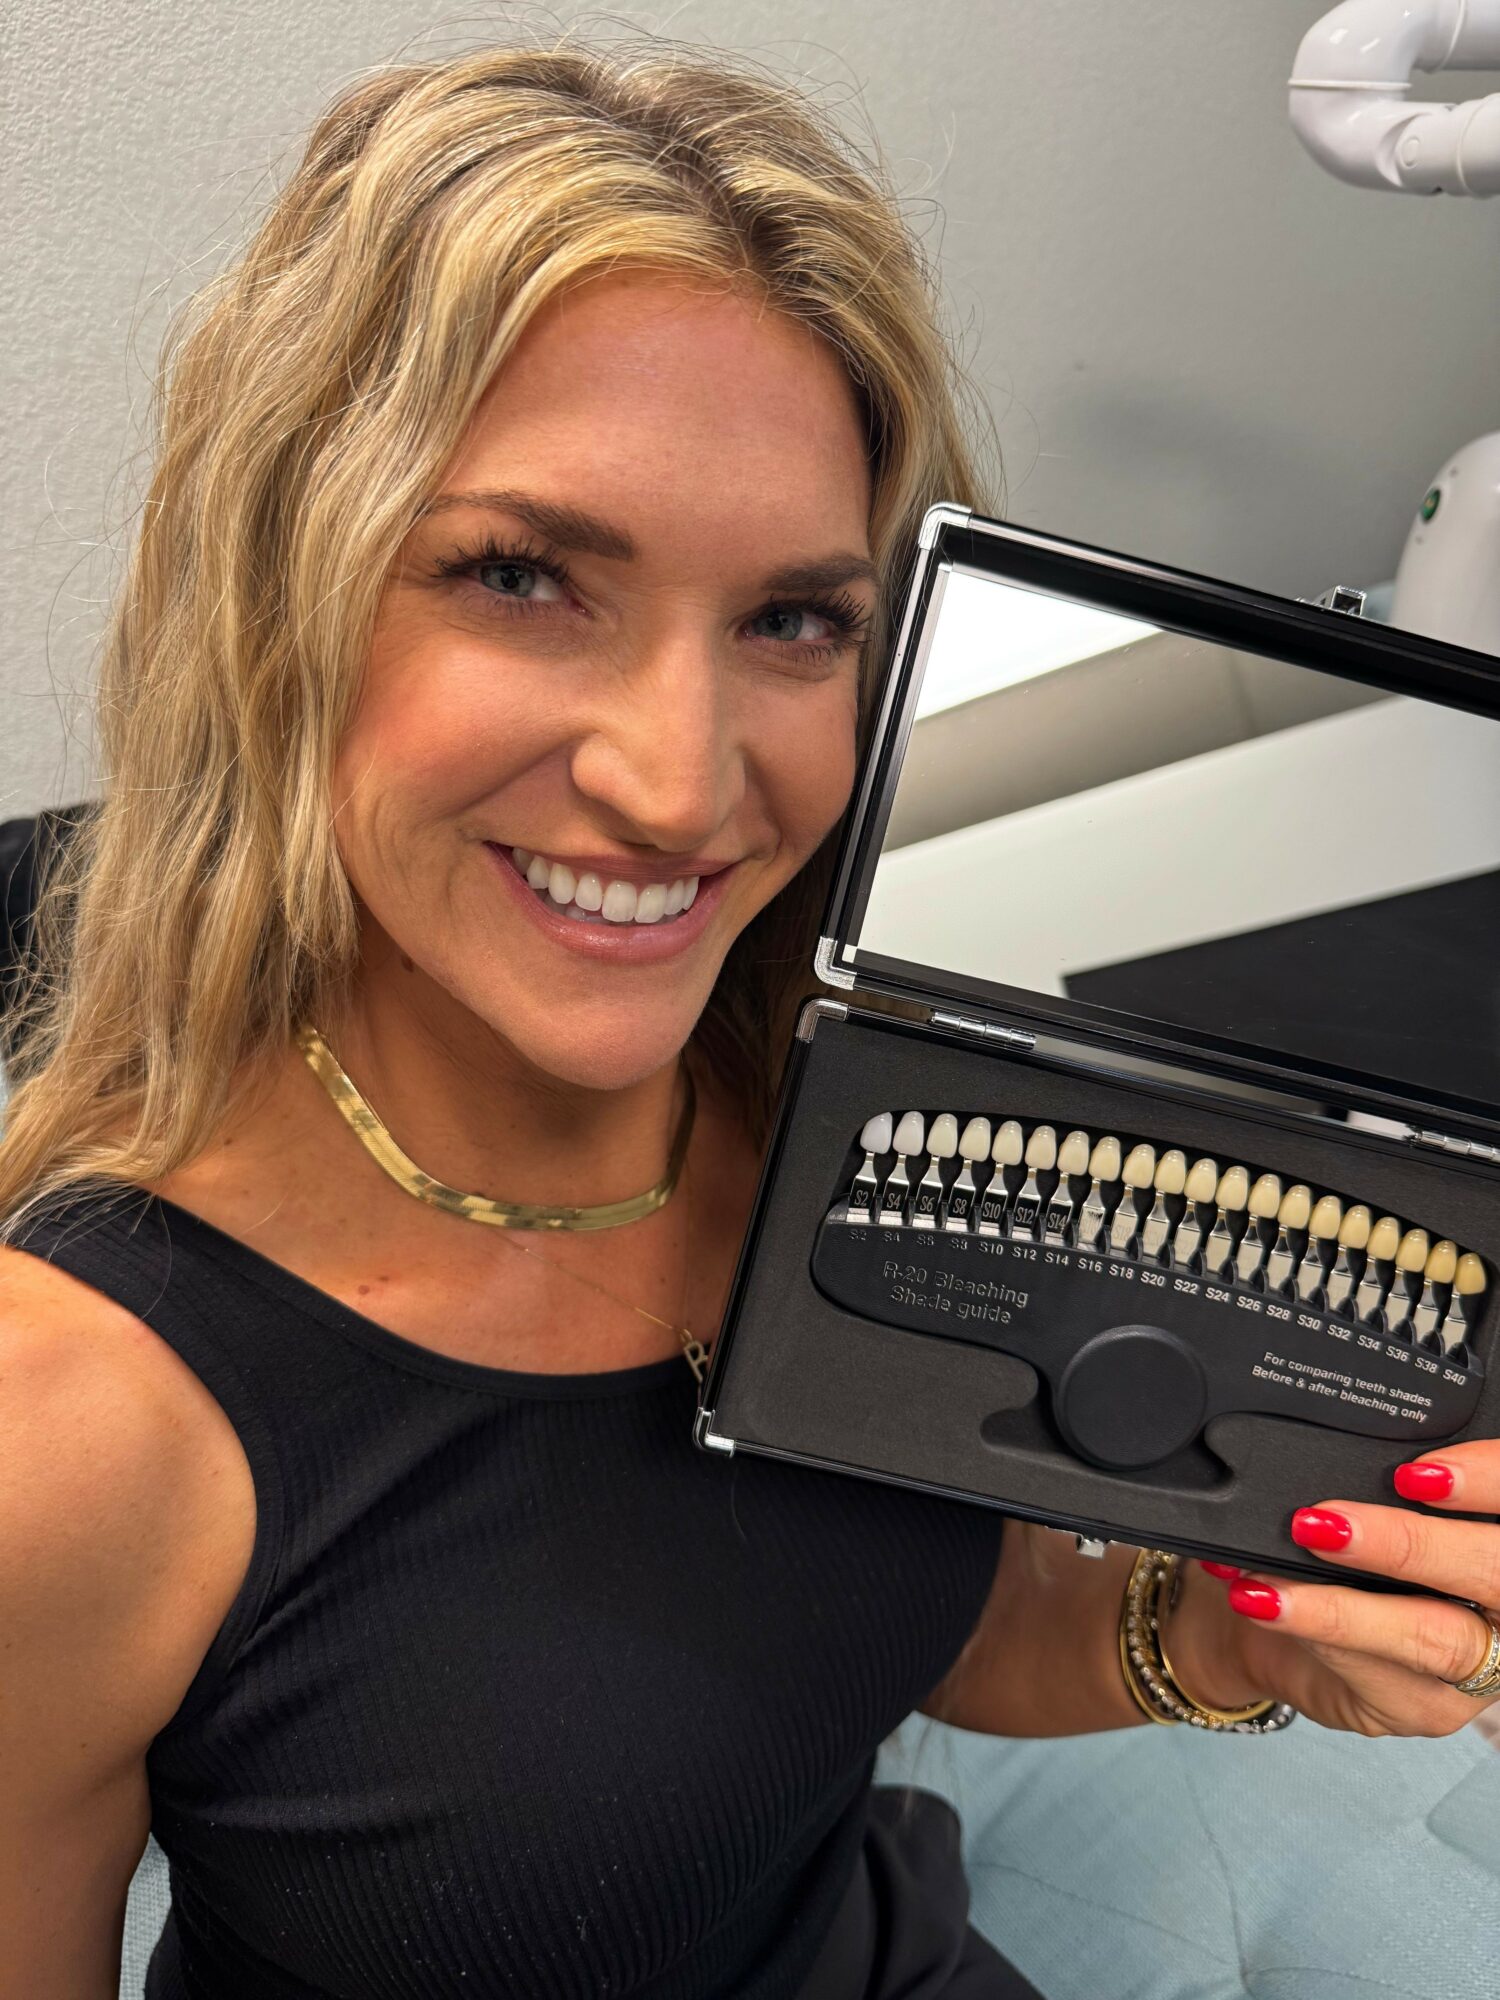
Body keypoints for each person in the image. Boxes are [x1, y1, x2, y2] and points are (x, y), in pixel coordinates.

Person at [2, 36, 1497, 2000]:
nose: (681, 782)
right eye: (527, 575)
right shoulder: (74, 1428)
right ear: (290, 594)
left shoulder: (838, 1095)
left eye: (793, 619)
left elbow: (893, 1641)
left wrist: (1217, 1643)